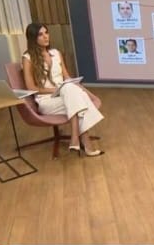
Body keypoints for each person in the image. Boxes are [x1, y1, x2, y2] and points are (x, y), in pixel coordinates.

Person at [22, 23, 103, 157]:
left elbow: (68, 78)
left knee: (71, 91)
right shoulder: (28, 58)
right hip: (46, 100)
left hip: (67, 95)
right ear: (33, 38)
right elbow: (31, 87)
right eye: (41, 34)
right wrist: (57, 89)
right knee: (76, 96)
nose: (46, 36)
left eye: (46, 32)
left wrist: (91, 95)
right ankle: (83, 141)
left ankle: (76, 141)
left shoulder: (56, 53)